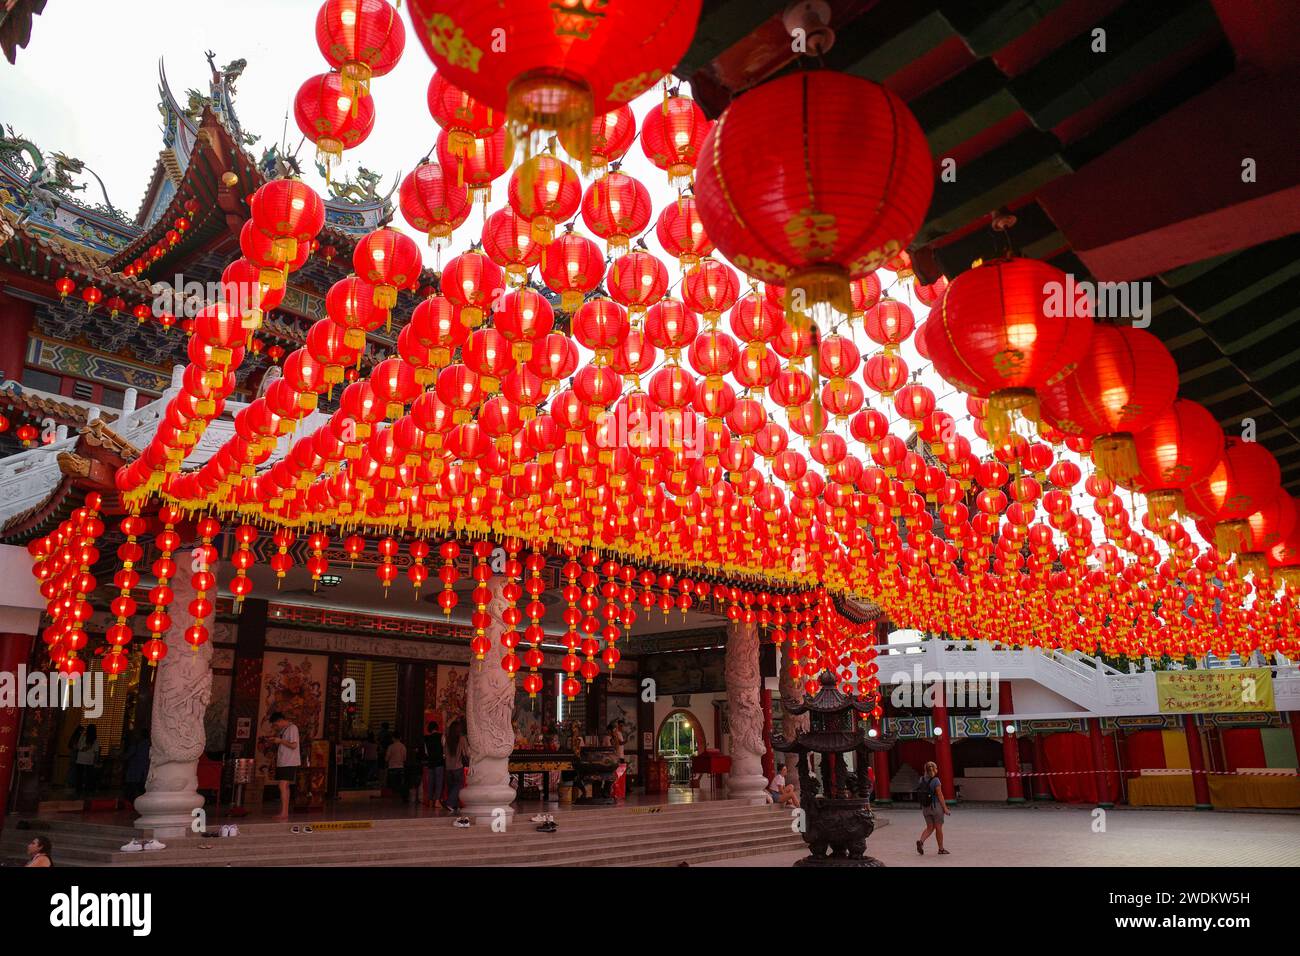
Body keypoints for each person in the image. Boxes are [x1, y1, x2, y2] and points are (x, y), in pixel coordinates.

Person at [266, 711, 300, 821]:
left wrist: (280, 741)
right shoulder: (284, 729)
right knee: (285, 786)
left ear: (280, 720)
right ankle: (284, 812)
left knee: (282, 785)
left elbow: (294, 745)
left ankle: (284, 813)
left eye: (276, 724)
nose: (276, 727)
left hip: (289, 761)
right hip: (283, 761)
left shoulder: (292, 728)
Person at [916, 760, 951, 855]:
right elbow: (940, 795)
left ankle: (921, 841)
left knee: (929, 827)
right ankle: (941, 849)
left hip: (925, 807)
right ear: (934, 769)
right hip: (936, 807)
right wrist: (945, 808)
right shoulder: (936, 780)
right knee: (938, 828)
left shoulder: (921, 779)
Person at [445, 718, 469, 820]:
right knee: (458, 786)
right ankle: (450, 803)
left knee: (451, 787)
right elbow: (466, 753)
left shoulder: (447, 739)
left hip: (448, 767)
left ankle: (455, 806)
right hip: (457, 767)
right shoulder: (462, 739)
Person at [121, 729, 150, 804]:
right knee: (141, 787)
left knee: (132, 787)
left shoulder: (137, 744)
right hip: (144, 770)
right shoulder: (149, 744)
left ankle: (131, 802)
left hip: (135, 769)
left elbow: (128, 755)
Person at [422, 721, 445, 809]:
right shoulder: (441, 736)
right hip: (439, 762)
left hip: (430, 763)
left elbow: (426, 752)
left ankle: (430, 800)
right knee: (438, 782)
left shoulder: (426, 739)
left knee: (431, 782)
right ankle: (437, 801)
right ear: (437, 728)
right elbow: (444, 748)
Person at [73, 725, 98, 796]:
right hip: (89, 760)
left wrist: (81, 749)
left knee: (79, 775)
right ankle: (88, 789)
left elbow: (78, 746)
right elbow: (96, 751)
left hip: (80, 758)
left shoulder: (83, 736)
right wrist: (96, 760)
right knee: (89, 776)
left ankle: (78, 789)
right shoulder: (95, 739)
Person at [386, 732, 409, 802]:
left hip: (392, 768)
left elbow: (387, 758)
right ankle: (404, 795)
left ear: (393, 738)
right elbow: (404, 758)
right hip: (400, 767)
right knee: (401, 783)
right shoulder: (403, 746)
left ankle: (398, 795)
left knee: (394, 784)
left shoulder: (390, 747)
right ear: (400, 738)